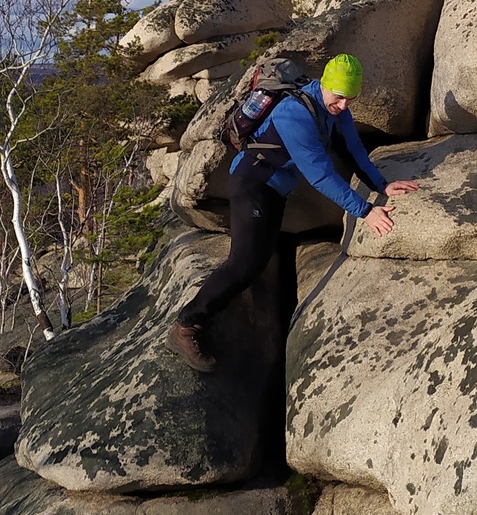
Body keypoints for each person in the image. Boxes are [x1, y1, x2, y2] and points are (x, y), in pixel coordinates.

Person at [168, 53, 418, 372]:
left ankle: (223, 319)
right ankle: (186, 326)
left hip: (275, 189)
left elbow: (354, 149)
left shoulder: (333, 108)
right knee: (243, 262)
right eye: (339, 97)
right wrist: (365, 211)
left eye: (349, 99)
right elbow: (320, 175)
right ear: (325, 84)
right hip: (252, 183)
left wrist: (383, 185)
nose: (342, 105)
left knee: (257, 262)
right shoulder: (293, 114)